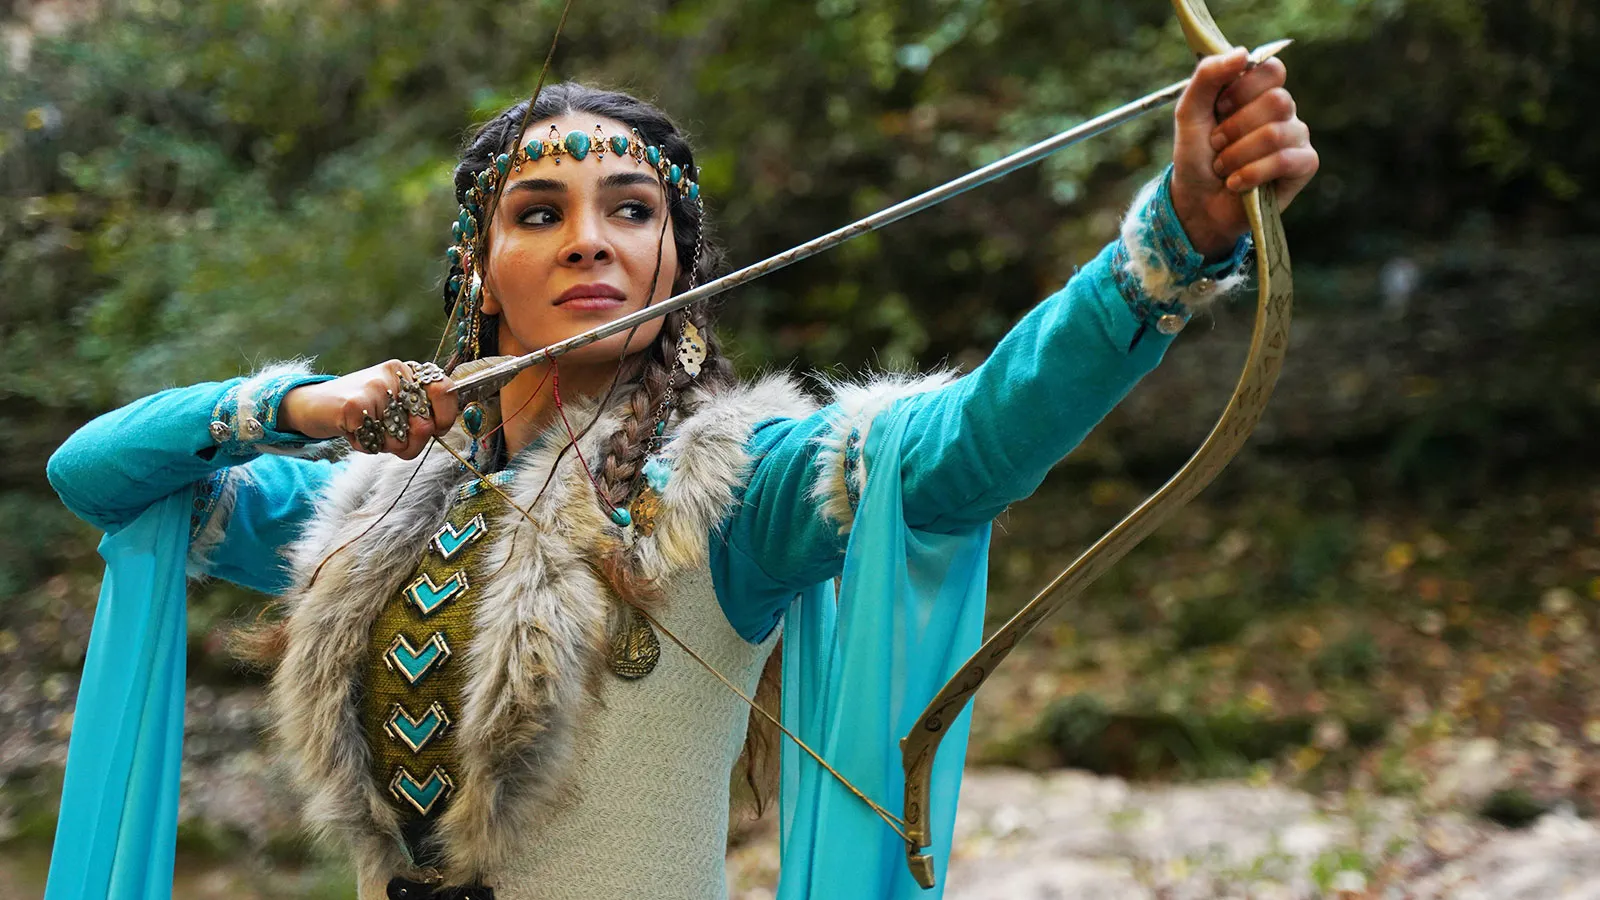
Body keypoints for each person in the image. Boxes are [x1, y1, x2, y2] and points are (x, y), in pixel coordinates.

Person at [44, 49, 1317, 900]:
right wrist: (292, 405)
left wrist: (1176, 237)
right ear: (477, 272)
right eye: (538, 213)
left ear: (678, 261)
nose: (589, 241)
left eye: (631, 209)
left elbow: (972, 439)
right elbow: (96, 474)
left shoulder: (731, 485)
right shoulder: (357, 513)